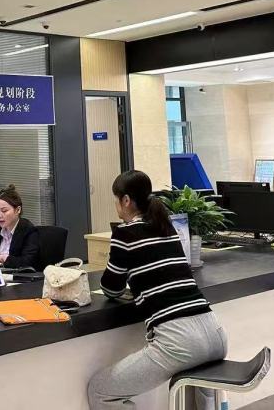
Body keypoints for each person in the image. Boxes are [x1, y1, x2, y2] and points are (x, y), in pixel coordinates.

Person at [88, 170, 226, 410]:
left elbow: (111, 287)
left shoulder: (124, 233)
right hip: (216, 334)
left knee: (100, 390)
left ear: (126, 200)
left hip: (179, 341)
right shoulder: (166, 227)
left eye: (116, 199)